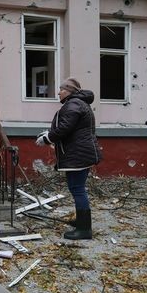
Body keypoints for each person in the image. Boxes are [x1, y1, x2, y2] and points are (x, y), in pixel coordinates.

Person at [36, 77, 102, 239]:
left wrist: (47, 138)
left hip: (78, 155)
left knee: (77, 189)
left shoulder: (73, 104)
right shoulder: (78, 104)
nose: (58, 92)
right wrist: (49, 133)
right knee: (77, 188)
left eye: (62, 89)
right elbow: (68, 127)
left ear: (70, 91)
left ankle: (85, 229)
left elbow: (65, 128)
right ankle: (81, 221)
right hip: (80, 153)